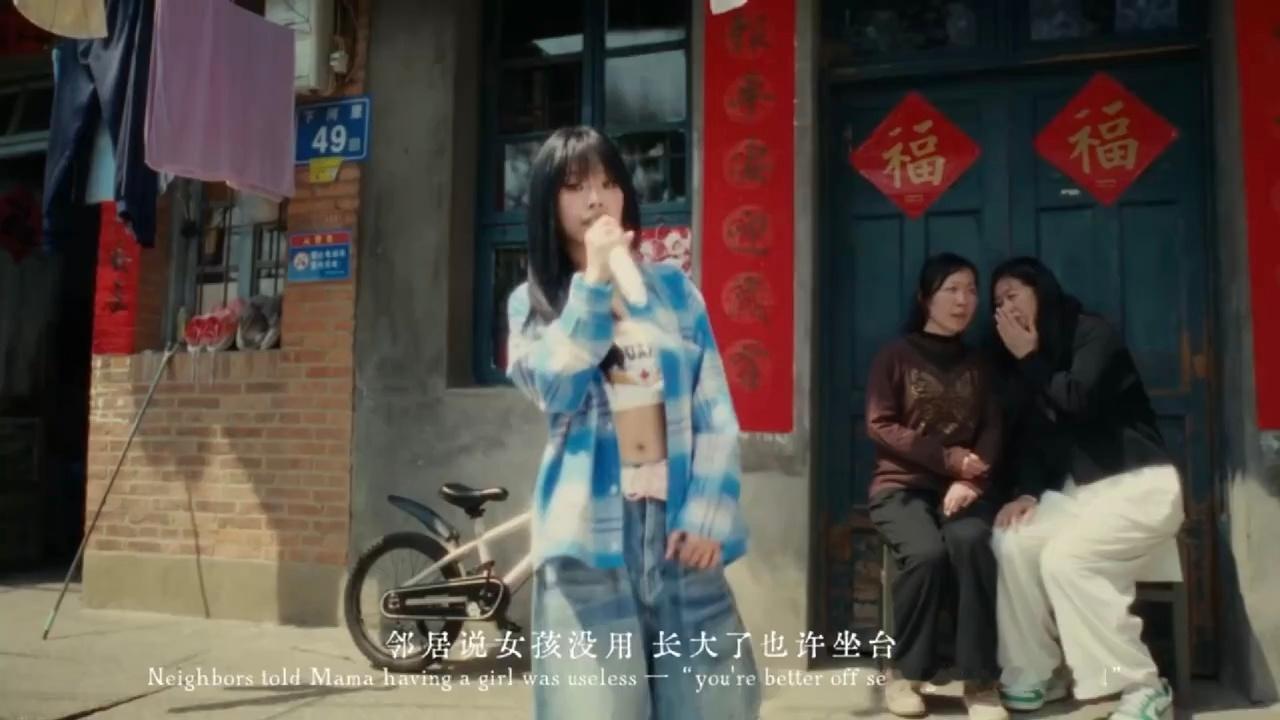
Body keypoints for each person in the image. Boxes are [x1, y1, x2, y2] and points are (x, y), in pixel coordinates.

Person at [504, 125, 760, 720]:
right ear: (549, 204)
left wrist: (706, 515)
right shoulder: (533, 304)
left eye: (608, 183)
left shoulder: (674, 291)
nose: (596, 199)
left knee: (714, 707)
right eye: (575, 187)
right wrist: (593, 286)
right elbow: (555, 388)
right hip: (588, 548)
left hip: (681, 543)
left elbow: (715, 411)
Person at [988, 257, 1183, 720]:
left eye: (1013, 295)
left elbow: (1077, 401)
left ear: (1041, 291)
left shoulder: (1093, 334)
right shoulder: (1027, 362)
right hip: (1079, 496)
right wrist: (1027, 493)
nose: (1006, 309)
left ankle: (1141, 685)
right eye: (997, 303)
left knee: (1068, 560)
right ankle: (1037, 672)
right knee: (1012, 540)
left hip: (1139, 486)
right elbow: (1032, 438)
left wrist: (1029, 359)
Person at [865, 253, 1007, 720]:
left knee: (972, 543)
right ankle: (905, 673)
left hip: (963, 490)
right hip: (900, 487)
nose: (964, 300)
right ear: (926, 298)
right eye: (952, 289)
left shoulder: (980, 363)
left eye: (971, 290)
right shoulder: (895, 356)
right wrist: (947, 459)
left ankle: (980, 681)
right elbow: (881, 424)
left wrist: (970, 477)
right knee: (926, 555)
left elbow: (992, 427)